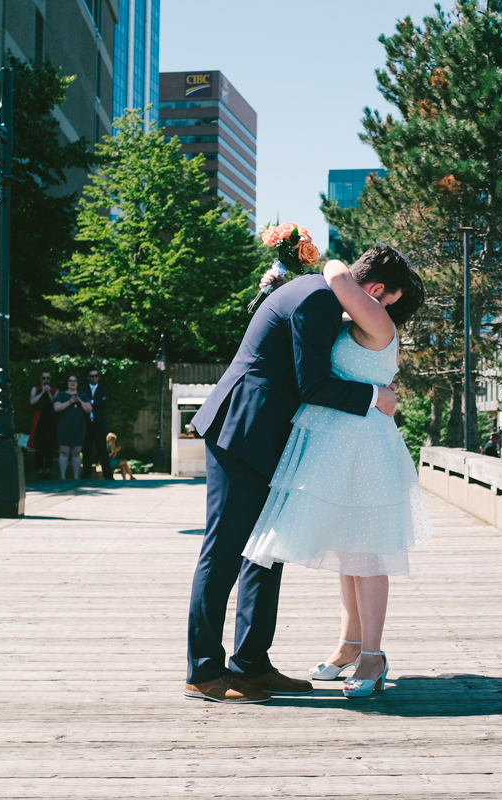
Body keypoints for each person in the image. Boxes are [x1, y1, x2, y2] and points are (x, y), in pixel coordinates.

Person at [185, 243, 410, 705]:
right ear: (374, 290)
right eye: (384, 303)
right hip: (242, 429)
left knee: (265, 553)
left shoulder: (316, 293)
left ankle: (251, 666)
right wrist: (374, 396)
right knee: (224, 550)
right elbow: (311, 383)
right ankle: (204, 671)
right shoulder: (318, 300)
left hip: (267, 437)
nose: (378, 313)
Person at [242, 254, 429, 700]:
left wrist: (314, 256)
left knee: (366, 553)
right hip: (334, 442)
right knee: (348, 552)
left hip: (362, 445)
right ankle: (349, 644)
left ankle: (373, 655)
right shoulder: (346, 318)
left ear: (376, 292)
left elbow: (338, 273)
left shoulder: (379, 321)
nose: (386, 306)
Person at [54, 375, 92, 480]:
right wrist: (69, 402)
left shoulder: (83, 395)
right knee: (64, 451)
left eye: (74, 381)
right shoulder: (61, 395)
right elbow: (56, 408)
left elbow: (89, 409)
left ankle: (76, 477)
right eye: (70, 380)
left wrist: (79, 401)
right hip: (65, 427)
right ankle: (63, 477)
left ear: (77, 383)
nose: (72, 383)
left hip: (78, 427)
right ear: (67, 382)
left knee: (76, 452)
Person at [29, 371, 59, 479]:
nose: (46, 380)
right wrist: (42, 392)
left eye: (48, 378)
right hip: (39, 423)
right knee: (39, 448)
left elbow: (55, 402)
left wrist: (49, 392)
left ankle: (48, 471)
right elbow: (32, 402)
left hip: (50, 422)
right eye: (44, 378)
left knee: (49, 448)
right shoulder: (35, 390)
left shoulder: (54, 391)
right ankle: (40, 471)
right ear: (40, 379)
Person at [84, 368, 112, 480]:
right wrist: (96, 402)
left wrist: (91, 402)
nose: (94, 378)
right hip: (87, 424)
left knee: (102, 450)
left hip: (99, 424)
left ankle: (108, 475)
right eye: (92, 376)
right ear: (88, 377)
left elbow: (104, 404)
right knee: (87, 450)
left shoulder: (103, 389)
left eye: (96, 376)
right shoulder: (84, 389)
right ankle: (86, 475)